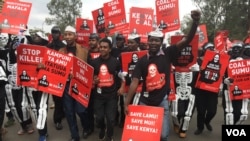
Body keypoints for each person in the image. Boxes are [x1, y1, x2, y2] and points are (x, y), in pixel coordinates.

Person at [124, 10, 201, 141]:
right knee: (144, 135)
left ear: (161, 42)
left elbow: (187, 40)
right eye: (151, 40)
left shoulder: (168, 53)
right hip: (145, 102)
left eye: (157, 41)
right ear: (147, 41)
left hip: (162, 102)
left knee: (163, 136)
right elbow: (134, 82)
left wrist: (195, 22)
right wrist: (126, 104)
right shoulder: (142, 61)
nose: (154, 43)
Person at [90, 38, 122, 141]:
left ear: (110, 49)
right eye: (101, 47)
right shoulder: (94, 62)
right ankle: (102, 128)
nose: (102, 49)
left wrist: (121, 87)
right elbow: (89, 77)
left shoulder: (116, 62)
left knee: (111, 118)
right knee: (99, 118)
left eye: (105, 47)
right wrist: (93, 80)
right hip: (98, 96)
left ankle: (109, 135)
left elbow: (122, 76)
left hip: (112, 95)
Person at [62, 25, 89, 141]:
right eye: (66, 34)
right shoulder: (61, 51)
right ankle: (75, 136)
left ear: (75, 36)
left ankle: (86, 127)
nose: (67, 37)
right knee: (69, 112)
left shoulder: (84, 51)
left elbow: (89, 68)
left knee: (81, 110)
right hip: (66, 85)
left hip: (80, 85)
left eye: (70, 34)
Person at [193, 42, 219, 135]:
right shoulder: (197, 61)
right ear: (204, 50)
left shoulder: (219, 60)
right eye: (209, 48)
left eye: (212, 48)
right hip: (200, 90)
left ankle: (207, 121)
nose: (211, 50)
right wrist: (196, 70)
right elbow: (193, 75)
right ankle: (200, 127)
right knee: (201, 110)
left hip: (212, 90)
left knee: (212, 111)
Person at [222, 42, 249, 125]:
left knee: (242, 114)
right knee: (229, 113)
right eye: (234, 48)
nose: (236, 50)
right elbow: (220, 73)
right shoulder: (226, 60)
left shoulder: (247, 61)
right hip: (228, 89)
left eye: (238, 48)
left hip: (242, 91)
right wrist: (224, 80)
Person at [47, 25, 66, 130]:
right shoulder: (48, 46)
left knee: (62, 99)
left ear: (60, 34)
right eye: (53, 32)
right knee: (57, 99)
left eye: (56, 32)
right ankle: (58, 119)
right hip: (51, 76)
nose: (55, 34)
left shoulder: (63, 47)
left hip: (62, 77)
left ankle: (60, 116)